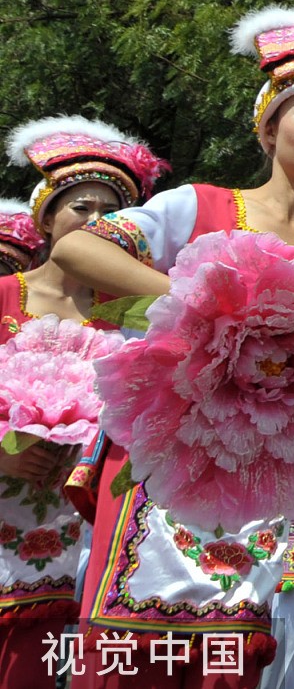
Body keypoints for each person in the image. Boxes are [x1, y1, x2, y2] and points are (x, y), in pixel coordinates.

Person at [51, 8, 294, 689]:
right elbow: (77, 247)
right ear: (269, 123)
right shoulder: (200, 206)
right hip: (169, 459)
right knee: (132, 651)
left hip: (264, 477)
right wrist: (190, 301)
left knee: (234, 653)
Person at [0, 122, 167, 684]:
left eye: (111, 213)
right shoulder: (4, 296)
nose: (96, 221)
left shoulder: (136, 315)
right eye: (81, 207)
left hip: (83, 521)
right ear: (46, 218)